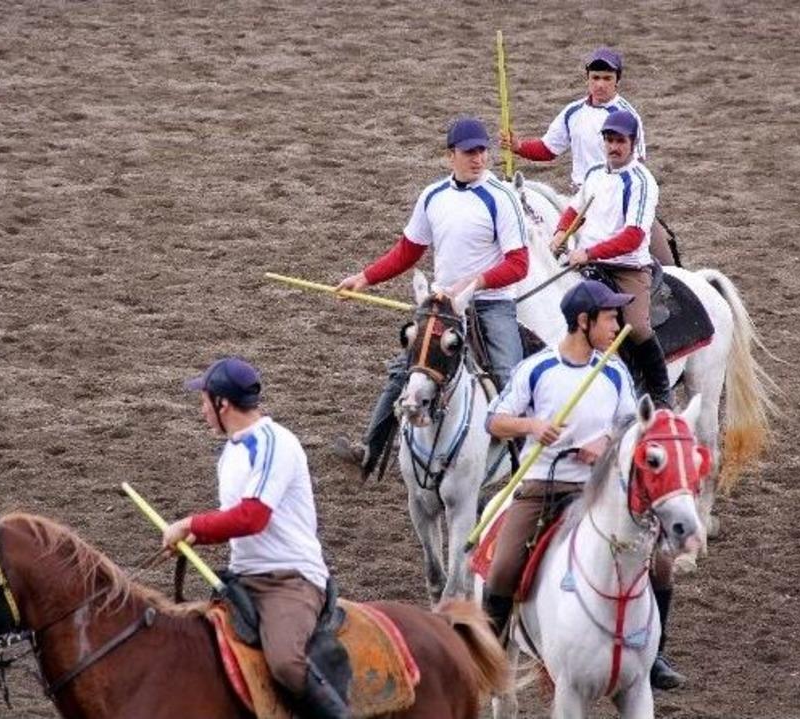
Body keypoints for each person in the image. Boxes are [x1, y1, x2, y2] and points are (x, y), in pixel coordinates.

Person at [333, 116, 530, 478]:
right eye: (469, 152)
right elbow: (408, 251)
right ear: (450, 156)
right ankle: (370, 451)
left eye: (483, 151)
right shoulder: (432, 196)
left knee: (509, 374)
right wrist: (366, 277)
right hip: (444, 307)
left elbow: (519, 264)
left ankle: (527, 468)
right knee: (404, 371)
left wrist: (473, 283)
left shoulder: (502, 198)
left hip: (492, 303)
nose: (479, 159)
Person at [162, 357, 350, 718]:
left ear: (223, 404)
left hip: (291, 580)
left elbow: (253, 517)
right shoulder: (231, 451)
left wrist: (191, 525)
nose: (201, 411)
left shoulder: (274, 443)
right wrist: (194, 538)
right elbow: (235, 520)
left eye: (204, 401)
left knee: (285, 663)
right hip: (244, 578)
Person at [482, 280, 636, 639]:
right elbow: (493, 421)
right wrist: (532, 425)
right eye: (610, 318)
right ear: (584, 321)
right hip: (541, 484)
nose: (616, 327)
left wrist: (607, 440)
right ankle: (485, 651)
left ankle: (654, 651)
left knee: (655, 560)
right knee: (503, 569)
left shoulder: (615, 371)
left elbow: (631, 424)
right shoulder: (537, 368)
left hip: (599, 488)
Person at [500, 47, 675, 265]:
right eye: (595, 78)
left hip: (616, 200)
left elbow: (635, 165)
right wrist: (519, 146)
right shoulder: (573, 112)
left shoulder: (627, 116)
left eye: (607, 78)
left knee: (665, 262)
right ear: (587, 80)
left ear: (617, 81)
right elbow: (548, 149)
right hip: (579, 198)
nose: (600, 84)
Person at [550, 109, 672, 409]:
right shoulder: (594, 173)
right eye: (609, 140)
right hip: (587, 263)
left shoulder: (642, 182)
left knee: (637, 327)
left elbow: (632, 236)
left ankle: (661, 392)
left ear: (633, 143)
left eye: (620, 141)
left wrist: (589, 253)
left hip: (626, 268)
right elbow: (575, 209)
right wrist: (560, 232)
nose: (614, 146)